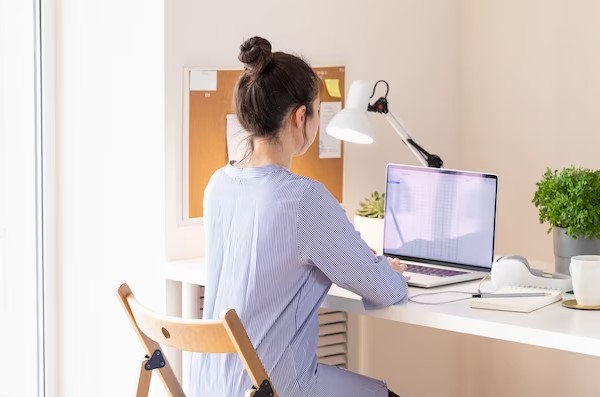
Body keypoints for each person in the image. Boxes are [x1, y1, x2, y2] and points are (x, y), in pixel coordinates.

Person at [189, 36, 408, 397]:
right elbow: (384, 289)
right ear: (300, 116)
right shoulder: (303, 198)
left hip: (209, 386)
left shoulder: (218, 185)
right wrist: (389, 270)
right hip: (274, 388)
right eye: (319, 111)